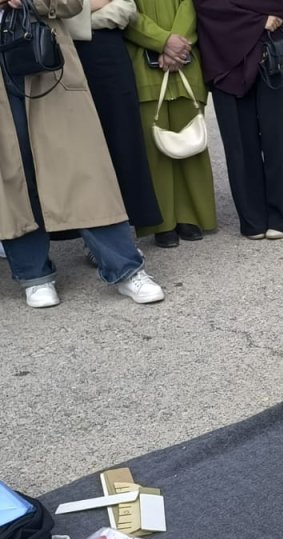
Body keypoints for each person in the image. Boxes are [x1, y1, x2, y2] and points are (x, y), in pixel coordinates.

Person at [1, 0, 165, 308]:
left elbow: (72, 3)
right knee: (11, 171)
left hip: (45, 59)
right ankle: (33, 275)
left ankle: (125, 268)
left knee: (84, 167)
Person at [195, 0, 283, 240]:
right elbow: (206, 5)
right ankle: (253, 218)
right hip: (224, 51)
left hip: (272, 51)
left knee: (280, 135)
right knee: (239, 142)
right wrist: (258, 20)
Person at [69, 0, 169, 245]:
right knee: (78, 150)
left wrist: (72, 17)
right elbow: (47, 12)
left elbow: (125, 9)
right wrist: (88, 9)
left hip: (107, 54)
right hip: (61, 55)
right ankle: (91, 236)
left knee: (122, 140)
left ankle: (121, 232)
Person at [126, 0, 219, 246]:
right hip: (142, 59)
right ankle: (162, 222)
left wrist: (177, 44)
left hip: (185, 58)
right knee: (153, 148)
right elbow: (124, 10)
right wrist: (163, 41)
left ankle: (192, 215)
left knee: (191, 141)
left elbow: (191, 5)